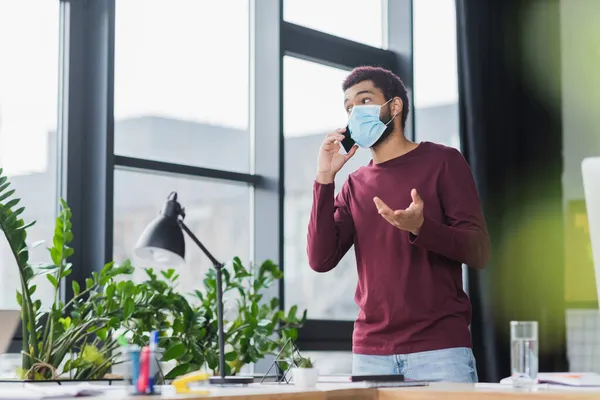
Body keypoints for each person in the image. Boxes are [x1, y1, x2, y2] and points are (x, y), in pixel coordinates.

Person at [306, 66, 491, 383]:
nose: (354, 114)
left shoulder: (443, 162)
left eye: (364, 101)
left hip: (440, 351)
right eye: (349, 108)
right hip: (370, 356)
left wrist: (422, 228)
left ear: (394, 106)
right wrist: (325, 179)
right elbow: (320, 259)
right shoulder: (354, 185)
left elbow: (480, 252)